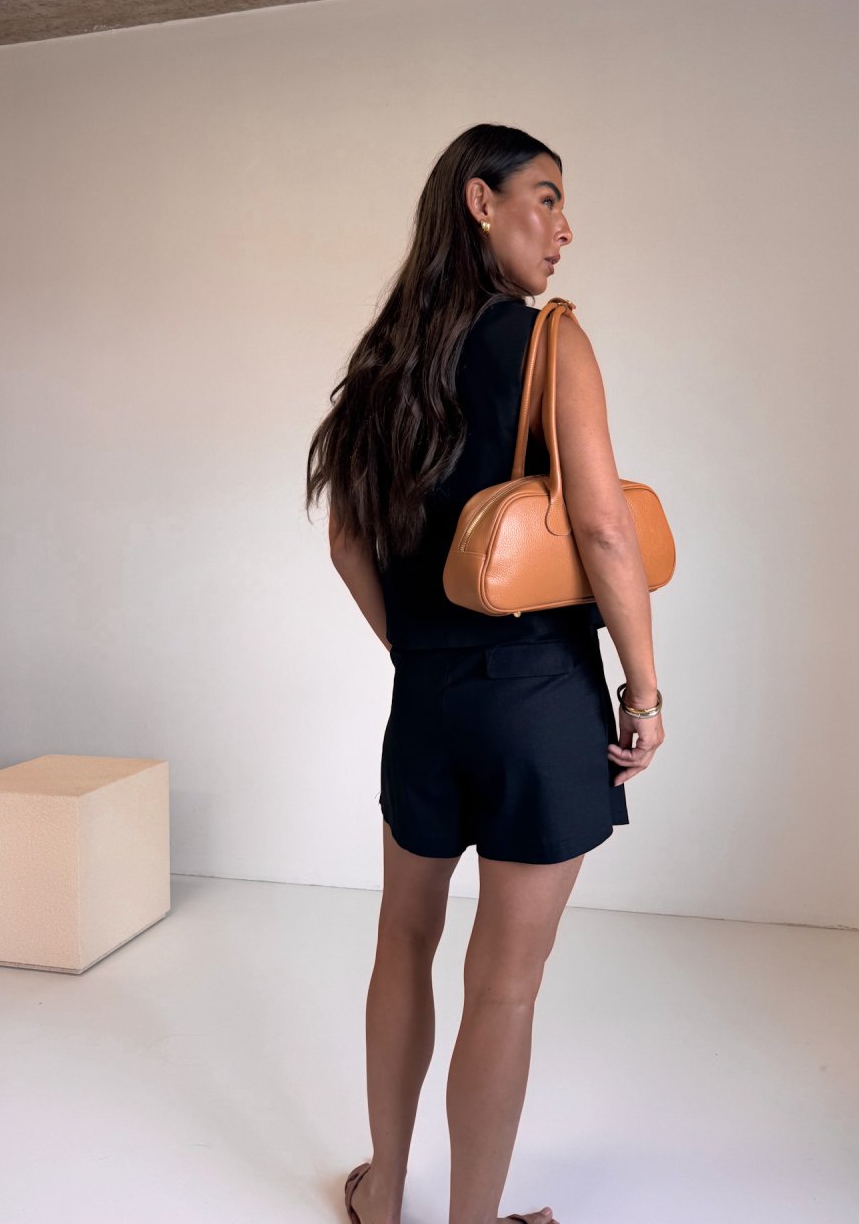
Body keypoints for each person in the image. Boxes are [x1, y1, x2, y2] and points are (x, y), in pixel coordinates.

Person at [305, 123, 664, 1224]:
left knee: (401, 941)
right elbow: (601, 529)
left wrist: (416, 652)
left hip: (426, 703)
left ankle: (382, 1194)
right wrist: (643, 691)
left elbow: (346, 541)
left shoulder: (386, 361)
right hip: (539, 702)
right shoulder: (553, 340)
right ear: (479, 201)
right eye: (544, 198)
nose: (563, 228)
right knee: (502, 987)